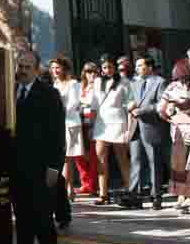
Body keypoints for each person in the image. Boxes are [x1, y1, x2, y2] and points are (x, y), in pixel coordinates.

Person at [4, 50, 66, 244]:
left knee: (42, 217)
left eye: (26, 67)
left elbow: (57, 135)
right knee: (22, 218)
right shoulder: (10, 92)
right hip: (17, 168)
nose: (21, 71)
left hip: (41, 168)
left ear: (37, 70)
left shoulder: (49, 94)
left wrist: (54, 168)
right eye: (19, 66)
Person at [159, 59, 190, 214]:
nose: (181, 81)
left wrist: (189, 109)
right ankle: (189, 197)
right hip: (181, 129)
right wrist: (171, 116)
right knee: (182, 166)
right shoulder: (173, 87)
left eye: (183, 78)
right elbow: (161, 109)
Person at [121, 56, 168, 210]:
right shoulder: (134, 83)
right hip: (135, 127)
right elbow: (130, 101)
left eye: (140, 65)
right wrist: (129, 106)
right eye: (136, 66)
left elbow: (161, 105)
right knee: (135, 161)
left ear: (149, 67)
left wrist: (141, 111)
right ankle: (134, 195)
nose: (137, 69)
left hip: (151, 126)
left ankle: (156, 196)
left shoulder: (160, 82)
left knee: (154, 162)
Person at [91, 54, 133, 205]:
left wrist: (129, 127)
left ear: (115, 67)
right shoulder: (97, 82)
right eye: (104, 67)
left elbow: (130, 103)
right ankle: (103, 194)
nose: (107, 70)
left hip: (118, 121)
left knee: (122, 158)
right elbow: (94, 104)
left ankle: (131, 190)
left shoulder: (124, 82)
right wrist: (92, 123)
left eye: (110, 67)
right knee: (100, 159)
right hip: (101, 123)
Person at [51, 57, 82, 203]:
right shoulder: (55, 84)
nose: (55, 70)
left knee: (68, 158)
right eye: (53, 68)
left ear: (64, 68)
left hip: (70, 123)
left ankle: (68, 189)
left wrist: (59, 112)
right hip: (58, 123)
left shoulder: (73, 83)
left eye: (57, 67)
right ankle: (67, 189)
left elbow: (74, 104)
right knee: (62, 158)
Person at [76, 62, 100, 195]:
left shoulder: (99, 86)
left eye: (94, 71)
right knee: (79, 154)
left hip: (93, 122)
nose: (92, 74)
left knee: (92, 154)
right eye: (88, 71)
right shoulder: (79, 86)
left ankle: (92, 184)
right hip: (79, 122)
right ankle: (84, 182)